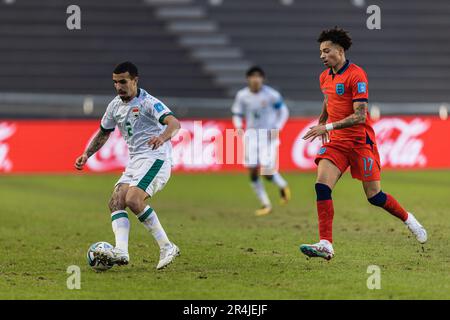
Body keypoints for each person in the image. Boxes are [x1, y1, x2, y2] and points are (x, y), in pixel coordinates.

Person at [300, 27, 427, 260]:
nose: (322, 56)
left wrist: (326, 126)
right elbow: (328, 99)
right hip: (337, 142)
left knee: (374, 196)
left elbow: (360, 115)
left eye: (326, 51)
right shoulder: (324, 76)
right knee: (321, 186)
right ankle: (326, 243)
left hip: (360, 142)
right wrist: (322, 119)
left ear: (339, 51)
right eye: (320, 52)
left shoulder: (357, 75)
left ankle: (409, 220)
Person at [75, 61, 181, 269]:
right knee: (116, 201)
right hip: (135, 162)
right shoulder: (115, 105)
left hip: (156, 158)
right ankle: (121, 252)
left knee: (133, 199)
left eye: (123, 81)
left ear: (135, 80)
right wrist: (86, 154)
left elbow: (174, 123)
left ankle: (167, 247)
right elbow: (104, 132)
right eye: (115, 82)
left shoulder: (148, 102)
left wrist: (162, 136)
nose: (118, 86)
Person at [232, 66, 291, 216]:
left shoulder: (271, 95)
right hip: (251, 135)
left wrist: (277, 127)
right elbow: (237, 114)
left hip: (268, 135)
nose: (255, 79)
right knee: (252, 171)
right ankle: (266, 204)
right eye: (252, 76)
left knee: (266, 171)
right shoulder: (242, 95)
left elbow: (283, 111)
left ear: (262, 79)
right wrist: (238, 126)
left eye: (258, 76)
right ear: (248, 79)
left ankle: (282, 185)